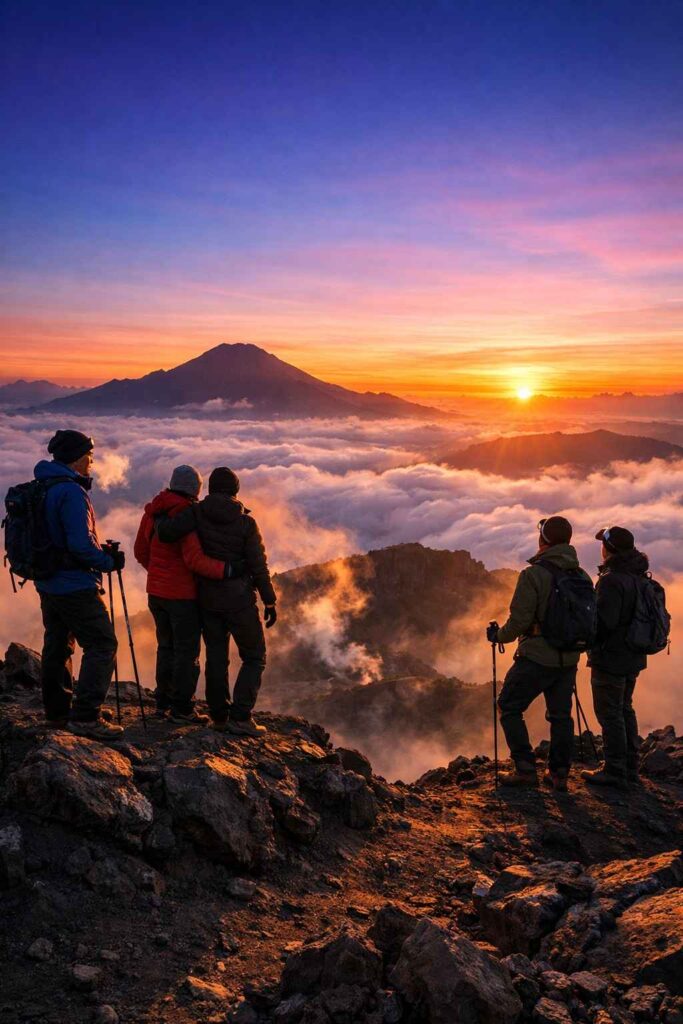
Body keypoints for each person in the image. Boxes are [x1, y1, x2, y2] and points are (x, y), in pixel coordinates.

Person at [156, 467, 277, 736]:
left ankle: (220, 716)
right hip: (240, 601)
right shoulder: (246, 523)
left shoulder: (197, 513)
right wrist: (269, 601)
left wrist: (159, 514)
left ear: (209, 489)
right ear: (235, 490)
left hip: (207, 600)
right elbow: (258, 566)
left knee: (216, 657)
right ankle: (241, 717)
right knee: (254, 657)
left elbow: (167, 533)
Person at [487, 515, 592, 790]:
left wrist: (498, 636)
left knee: (508, 706)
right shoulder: (581, 576)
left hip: (536, 657)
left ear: (543, 540)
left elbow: (520, 621)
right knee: (560, 716)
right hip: (569, 658)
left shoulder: (533, 575)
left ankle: (524, 769)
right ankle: (559, 775)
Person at [34, 429, 123, 739]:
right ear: (77, 458)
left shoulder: (43, 485)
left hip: (47, 582)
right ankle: (85, 717)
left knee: (57, 644)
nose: (92, 462)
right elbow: (80, 545)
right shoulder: (71, 492)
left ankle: (57, 713)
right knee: (102, 644)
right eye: (89, 456)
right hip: (73, 583)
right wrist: (108, 561)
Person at [134, 465, 228, 724]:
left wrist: (158, 575)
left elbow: (141, 551)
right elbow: (195, 559)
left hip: (155, 593)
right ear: (195, 490)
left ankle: (162, 703)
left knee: (165, 647)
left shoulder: (154, 511)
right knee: (187, 653)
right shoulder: (186, 515)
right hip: (183, 596)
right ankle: (182, 709)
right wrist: (226, 570)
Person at [582, 526, 649, 788]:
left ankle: (614, 770)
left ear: (609, 549)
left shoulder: (611, 580)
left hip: (611, 658)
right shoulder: (638, 575)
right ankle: (631, 768)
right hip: (633, 655)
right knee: (624, 708)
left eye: (603, 544)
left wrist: (587, 642)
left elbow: (605, 623)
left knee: (609, 713)